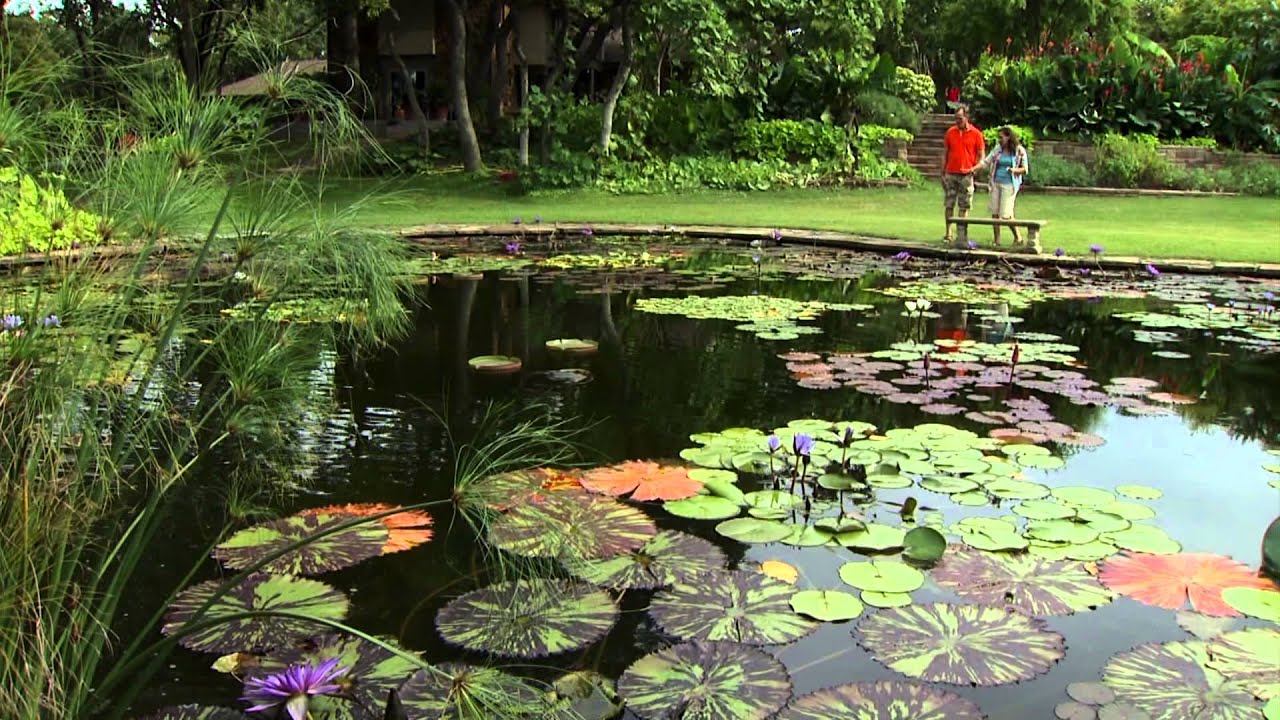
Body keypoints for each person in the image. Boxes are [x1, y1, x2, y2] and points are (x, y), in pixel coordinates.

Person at [969, 126, 1030, 249]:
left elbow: (1025, 169)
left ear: (1008, 137)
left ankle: (1018, 237)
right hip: (995, 182)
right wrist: (973, 169)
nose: (999, 140)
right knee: (995, 212)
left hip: (1010, 184)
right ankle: (997, 240)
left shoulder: (1019, 150)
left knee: (1006, 214)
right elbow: (986, 162)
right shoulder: (998, 149)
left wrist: (1014, 170)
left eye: (1001, 137)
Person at [941, 106, 986, 245]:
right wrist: (942, 171)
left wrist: (975, 168)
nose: (957, 121)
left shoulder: (976, 134)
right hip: (951, 172)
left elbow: (981, 155)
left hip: (966, 174)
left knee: (964, 205)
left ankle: (961, 233)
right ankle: (948, 233)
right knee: (949, 204)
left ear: (967, 117)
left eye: (960, 119)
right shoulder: (951, 132)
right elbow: (945, 153)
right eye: (956, 119)